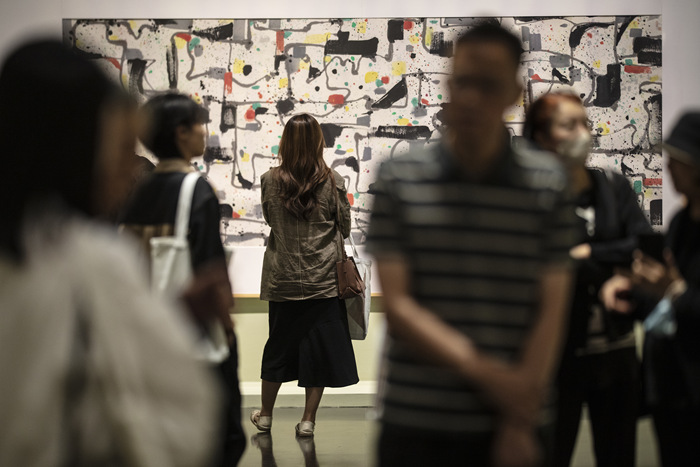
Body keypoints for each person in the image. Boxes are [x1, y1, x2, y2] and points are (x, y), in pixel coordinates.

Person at [0, 40, 220, 467]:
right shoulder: (89, 261)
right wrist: (178, 322)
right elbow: (181, 424)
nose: (126, 169)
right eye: (118, 149)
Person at [366, 23, 576, 467]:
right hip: (418, 419)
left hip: (514, 420)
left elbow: (552, 308)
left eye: (488, 85)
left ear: (514, 92)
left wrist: (517, 420)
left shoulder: (548, 184)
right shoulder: (399, 178)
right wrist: (490, 376)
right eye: (462, 82)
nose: (471, 97)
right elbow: (399, 306)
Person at [523, 92, 652, 467]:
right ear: (542, 137)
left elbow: (640, 244)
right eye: (569, 125)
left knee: (618, 455)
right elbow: (538, 262)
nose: (583, 133)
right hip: (556, 356)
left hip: (616, 349)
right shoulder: (531, 199)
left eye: (585, 123)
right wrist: (608, 260)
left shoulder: (612, 187)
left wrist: (586, 254)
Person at [119, 93, 245, 466]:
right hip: (193, 329)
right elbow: (210, 271)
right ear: (180, 132)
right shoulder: (196, 189)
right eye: (198, 125)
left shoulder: (138, 188)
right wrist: (227, 327)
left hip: (145, 329)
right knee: (221, 437)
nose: (205, 132)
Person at [600, 111, 700, 467]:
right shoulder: (681, 223)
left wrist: (674, 290)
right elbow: (663, 298)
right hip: (669, 386)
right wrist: (629, 289)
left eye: (678, 160)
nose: (668, 168)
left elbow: (676, 295)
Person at [252, 113, 359, 438]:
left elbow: (271, 220)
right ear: (318, 143)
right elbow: (344, 227)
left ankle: (266, 416)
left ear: (285, 143)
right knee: (319, 351)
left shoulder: (269, 180)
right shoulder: (333, 180)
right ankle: (308, 421)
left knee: (278, 346)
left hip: (282, 279)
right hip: (324, 280)